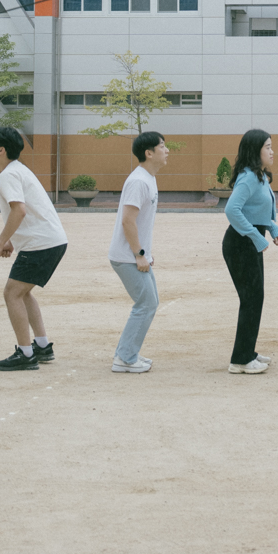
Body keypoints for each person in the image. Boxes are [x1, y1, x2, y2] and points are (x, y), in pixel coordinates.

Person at [0, 126, 69, 371]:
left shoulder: (8, 175)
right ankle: (41, 346)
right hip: (52, 241)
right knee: (23, 292)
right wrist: (11, 241)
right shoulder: (18, 170)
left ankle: (26, 354)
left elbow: (19, 210)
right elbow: (27, 211)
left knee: (12, 293)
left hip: (40, 244)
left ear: (1, 150)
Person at [108, 131, 169, 373]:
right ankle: (125, 358)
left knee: (150, 302)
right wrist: (139, 254)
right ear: (149, 153)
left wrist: (146, 254)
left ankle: (126, 353)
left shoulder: (148, 178)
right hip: (127, 257)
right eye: (162, 146)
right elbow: (128, 221)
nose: (167, 150)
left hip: (135, 255)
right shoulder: (139, 181)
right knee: (146, 303)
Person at [224, 128, 278, 374]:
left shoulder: (259, 176)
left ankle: (248, 352)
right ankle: (240, 360)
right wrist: (256, 236)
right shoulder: (248, 177)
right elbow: (232, 210)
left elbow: (257, 210)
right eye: (267, 147)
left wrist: (272, 228)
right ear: (254, 150)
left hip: (249, 242)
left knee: (255, 298)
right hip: (240, 244)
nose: (272, 151)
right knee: (251, 299)